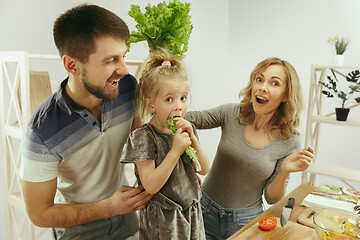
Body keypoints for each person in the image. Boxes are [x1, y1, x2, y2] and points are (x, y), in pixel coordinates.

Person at [20, 4, 152, 239]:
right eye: (110, 60)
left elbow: (140, 136)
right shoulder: (41, 132)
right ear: (72, 65)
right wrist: (109, 207)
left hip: (126, 215)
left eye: (124, 56)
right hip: (77, 227)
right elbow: (39, 213)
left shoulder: (127, 88)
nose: (123, 69)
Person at [185, 57, 314, 239]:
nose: (263, 87)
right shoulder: (231, 113)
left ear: (285, 95)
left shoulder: (290, 140)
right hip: (202, 210)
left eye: (274, 83)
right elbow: (186, 118)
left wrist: (284, 171)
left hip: (245, 221)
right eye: (259, 79)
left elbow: (272, 198)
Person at [120, 49, 210, 239]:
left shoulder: (186, 130)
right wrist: (175, 151)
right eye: (169, 99)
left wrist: (193, 141)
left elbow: (204, 169)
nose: (179, 106)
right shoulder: (144, 136)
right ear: (150, 104)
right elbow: (151, 185)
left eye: (183, 98)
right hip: (163, 219)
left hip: (191, 212)